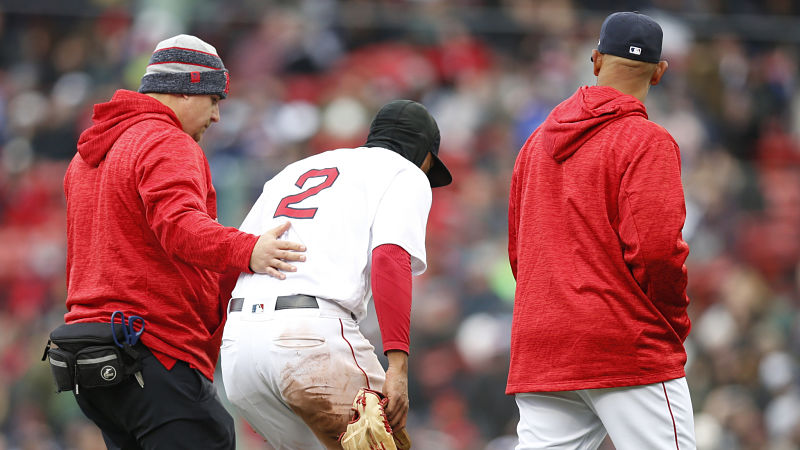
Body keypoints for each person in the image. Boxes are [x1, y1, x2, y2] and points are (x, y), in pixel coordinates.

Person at [61, 34, 305, 449]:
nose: (216, 117)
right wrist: (249, 249)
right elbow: (179, 227)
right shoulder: (166, 140)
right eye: (214, 100)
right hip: (150, 347)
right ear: (186, 91)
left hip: (90, 358)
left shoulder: (86, 156)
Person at [507, 12, 696, 450]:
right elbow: (657, 252)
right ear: (660, 72)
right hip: (622, 343)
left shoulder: (534, 144)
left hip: (542, 347)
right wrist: (671, 324)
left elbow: (520, 252)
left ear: (595, 60)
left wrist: (553, 310)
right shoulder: (647, 140)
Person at [220, 99, 452, 449]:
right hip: (310, 339)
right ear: (425, 155)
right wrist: (398, 366)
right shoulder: (405, 171)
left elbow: (231, 261)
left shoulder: (292, 171)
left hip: (239, 350)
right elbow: (390, 259)